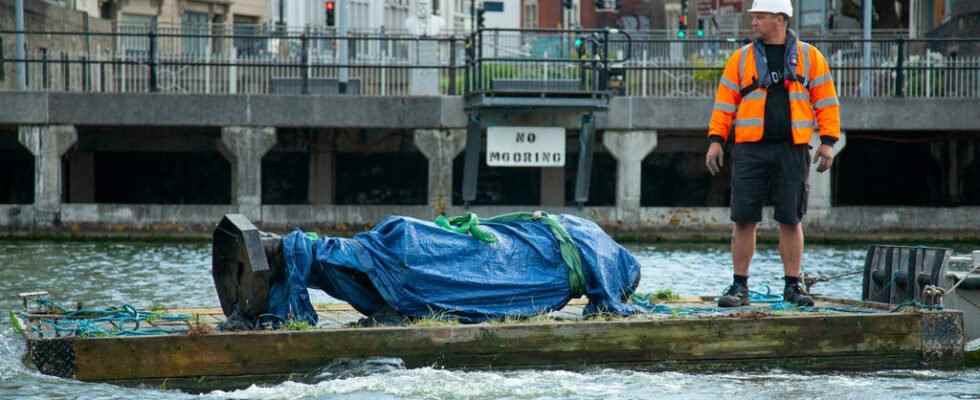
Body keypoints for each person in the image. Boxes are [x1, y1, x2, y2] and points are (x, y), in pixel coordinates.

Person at [704, 0, 841, 307]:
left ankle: (793, 286)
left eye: (760, 17)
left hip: (792, 150)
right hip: (750, 149)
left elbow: (827, 102)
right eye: (754, 16)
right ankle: (739, 287)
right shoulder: (740, 59)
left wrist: (828, 141)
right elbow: (724, 102)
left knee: (791, 219)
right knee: (743, 219)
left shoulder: (810, 58)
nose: (753, 22)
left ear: (780, 19)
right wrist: (716, 140)